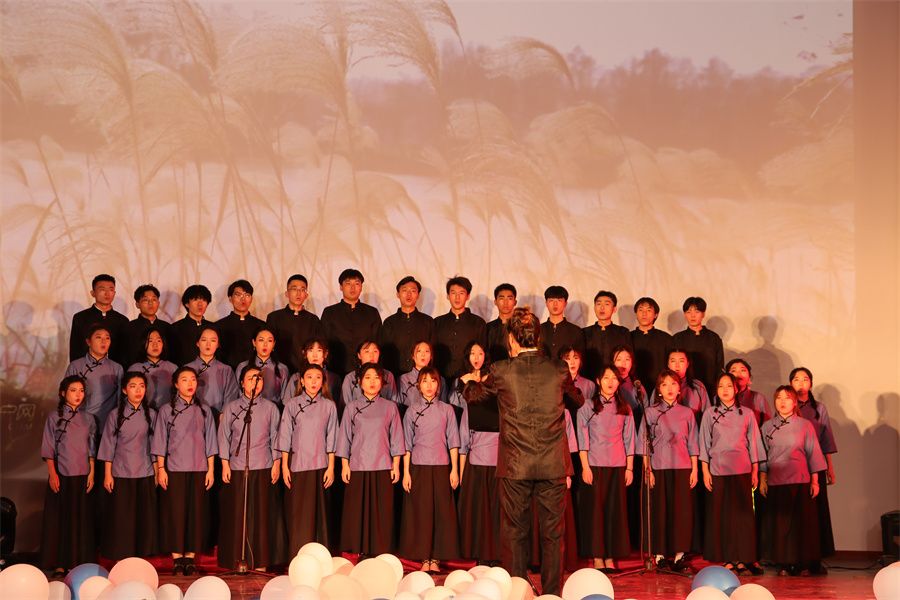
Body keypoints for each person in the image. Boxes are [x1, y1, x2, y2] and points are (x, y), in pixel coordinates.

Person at [485, 307, 584, 596]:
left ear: (512, 339)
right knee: (553, 534)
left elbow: (476, 395)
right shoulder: (559, 369)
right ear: (538, 337)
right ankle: (552, 594)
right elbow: (578, 399)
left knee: (514, 532)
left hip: (516, 464)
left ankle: (518, 592)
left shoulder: (501, 370)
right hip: (552, 462)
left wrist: (468, 385)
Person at [151, 366, 217, 575]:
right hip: (174, 468)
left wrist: (211, 470)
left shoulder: (204, 410)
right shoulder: (166, 410)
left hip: (199, 468)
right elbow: (160, 440)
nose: (190, 384)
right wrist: (161, 469)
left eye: (193, 380)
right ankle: (177, 558)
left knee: (195, 514)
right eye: (185, 380)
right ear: (176, 384)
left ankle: (190, 557)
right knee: (175, 514)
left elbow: (210, 441)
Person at [336, 363, 406, 556]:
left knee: (381, 511)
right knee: (358, 511)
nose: (372, 382)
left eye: (376, 377)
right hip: (358, 465)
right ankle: (360, 550)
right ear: (360, 382)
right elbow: (344, 437)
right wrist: (345, 465)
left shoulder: (390, 407)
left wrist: (396, 465)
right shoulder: (352, 407)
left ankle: (381, 551)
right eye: (367, 377)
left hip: (383, 464)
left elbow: (397, 438)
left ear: (382, 382)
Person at [217, 366, 283, 570]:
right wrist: (225, 463)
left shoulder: (271, 408)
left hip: (263, 465)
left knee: (261, 515)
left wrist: (277, 463)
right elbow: (224, 436)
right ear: (242, 382)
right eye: (250, 378)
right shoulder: (232, 407)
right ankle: (236, 559)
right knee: (238, 514)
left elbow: (276, 437)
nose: (255, 381)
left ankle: (260, 561)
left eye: (259, 378)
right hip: (238, 466)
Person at [699, 372, 766, 575]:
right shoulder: (710, 413)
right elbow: (704, 442)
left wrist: (755, 470)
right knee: (723, 517)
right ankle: (727, 559)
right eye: (721, 386)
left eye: (729, 386)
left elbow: (754, 442)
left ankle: (743, 558)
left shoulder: (747, 413)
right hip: (718, 470)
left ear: (736, 389)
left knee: (742, 517)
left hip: (742, 469)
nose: (725, 390)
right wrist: (705, 470)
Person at [759, 385, 826, 576]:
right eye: (779, 398)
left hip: (800, 480)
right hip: (776, 481)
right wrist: (763, 479)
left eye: (787, 398)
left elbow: (813, 453)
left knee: (802, 525)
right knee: (781, 526)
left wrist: (815, 481)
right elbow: (762, 454)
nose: (782, 402)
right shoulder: (767, 427)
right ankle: (784, 564)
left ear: (795, 402)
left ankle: (804, 563)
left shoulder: (805, 425)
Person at [635, 369, 699, 572]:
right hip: (659, 467)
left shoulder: (687, 413)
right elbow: (643, 444)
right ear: (659, 390)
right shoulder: (650, 412)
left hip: (682, 467)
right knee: (659, 510)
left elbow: (693, 443)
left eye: (673, 384)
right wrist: (648, 469)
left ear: (679, 388)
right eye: (664, 384)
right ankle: (660, 555)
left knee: (681, 512)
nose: (669, 388)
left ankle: (680, 555)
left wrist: (695, 469)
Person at [399, 367, 461, 572]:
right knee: (422, 513)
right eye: (424, 381)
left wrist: (454, 470)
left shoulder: (447, 410)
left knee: (441, 513)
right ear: (418, 385)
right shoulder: (411, 410)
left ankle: (436, 558)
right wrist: (406, 472)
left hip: (442, 466)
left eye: (433, 381)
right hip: (418, 466)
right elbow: (407, 444)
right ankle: (424, 558)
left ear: (439, 385)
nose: (429, 385)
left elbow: (453, 441)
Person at [576, 365, 635, 573]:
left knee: (613, 512)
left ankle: (611, 556)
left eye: (614, 378)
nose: (611, 382)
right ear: (598, 380)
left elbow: (629, 439)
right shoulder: (587, 406)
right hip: (594, 465)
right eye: (606, 377)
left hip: (617, 465)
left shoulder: (625, 407)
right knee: (596, 513)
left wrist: (629, 468)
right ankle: (597, 556)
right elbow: (582, 439)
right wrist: (585, 467)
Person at [278, 363, 338, 553]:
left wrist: (331, 467)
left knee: (320, 514)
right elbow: (285, 436)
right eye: (309, 377)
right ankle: (298, 555)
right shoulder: (292, 405)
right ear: (302, 381)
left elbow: (332, 437)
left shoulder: (329, 405)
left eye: (318, 378)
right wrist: (284, 467)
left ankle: (320, 556)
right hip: (298, 464)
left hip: (321, 465)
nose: (314, 381)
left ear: (323, 382)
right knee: (299, 513)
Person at [98, 372, 158, 559]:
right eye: (133, 386)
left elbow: (155, 444)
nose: (138, 390)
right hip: (121, 472)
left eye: (141, 386)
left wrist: (157, 470)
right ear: (124, 390)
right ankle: (122, 554)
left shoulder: (151, 414)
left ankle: (142, 554)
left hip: (145, 471)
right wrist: (108, 474)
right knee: (123, 517)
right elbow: (108, 445)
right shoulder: (115, 415)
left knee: (143, 516)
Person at [41, 375, 96, 576]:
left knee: (79, 520)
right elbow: (48, 447)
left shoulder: (89, 418)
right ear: (63, 393)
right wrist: (52, 474)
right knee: (61, 520)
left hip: (82, 474)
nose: (78, 395)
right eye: (73, 390)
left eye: (81, 391)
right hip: (61, 474)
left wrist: (92, 472)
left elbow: (91, 449)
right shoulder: (53, 417)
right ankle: (60, 563)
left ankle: (77, 562)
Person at [790, 366, 837, 572]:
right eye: (796, 379)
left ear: (811, 383)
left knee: (817, 513)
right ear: (790, 383)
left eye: (805, 379)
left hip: (816, 465)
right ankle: (794, 558)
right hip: (793, 467)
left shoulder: (819, 409)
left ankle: (815, 559)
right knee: (797, 513)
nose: (801, 383)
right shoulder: (786, 406)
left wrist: (829, 468)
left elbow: (826, 439)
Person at [458, 371, 502, 566]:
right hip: (477, 465)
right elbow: (464, 441)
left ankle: (497, 553)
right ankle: (482, 554)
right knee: (481, 513)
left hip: (499, 465)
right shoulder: (471, 406)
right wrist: (461, 473)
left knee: (495, 513)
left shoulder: (504, 405)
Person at [320, 269, 382, 376]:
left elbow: (378, 342)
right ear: (341, 287)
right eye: (348, 283)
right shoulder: (330, 312)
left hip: (366, 371)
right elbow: (323, 342)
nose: (352, 288)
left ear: (361, 287)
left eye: (357, 284)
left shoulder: (372, 312)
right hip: (336, 370)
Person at [64, 323, 124, 427]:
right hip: (79, 424)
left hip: (106, 425)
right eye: (98, 337)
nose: (104, 341)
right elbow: (66, 398)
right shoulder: (75, 366)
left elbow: (121, 400)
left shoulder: (117, 368)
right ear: (88, 342)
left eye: (107, 338)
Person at [379, 276, 435, 376]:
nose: (409, 294)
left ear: (418, 295)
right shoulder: (389, 322)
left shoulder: (428, 321)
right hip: (395, 376)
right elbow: (384, 353)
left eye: (413, 291)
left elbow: (433, 351)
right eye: (404, 290)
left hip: (422, 377)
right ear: (398, 294)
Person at [433, 276, 487, 380]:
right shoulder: (437, 322)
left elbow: (483, 353)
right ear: (448, 296)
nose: (457, 297)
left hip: (468, 379)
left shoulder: (478, 323)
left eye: (461, 293)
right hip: (440, 378)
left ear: (468, 296)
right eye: (453, 293)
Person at [266, 274, 322, 373]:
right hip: (279, 371)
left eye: (302, 290)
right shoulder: (274, 317)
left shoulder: (313, 320)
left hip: (306, 371)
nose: (298, 293)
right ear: (287, 293)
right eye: (294, 289)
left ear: (306, 295)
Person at [69, 274, 129, 364]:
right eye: (102, 289)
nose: (107, 293)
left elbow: (125, 352)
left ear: (114, 293)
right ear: (93, 293)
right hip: (86, 368)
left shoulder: (122, 321)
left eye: (111, 290)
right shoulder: (80, 318)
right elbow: (75, 349)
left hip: (115, 370)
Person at [672, 297, 724, 397]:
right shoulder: (677, 338)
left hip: (710, 387)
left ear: (703, 314)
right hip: (683, 388)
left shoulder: (714, 338)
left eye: (697, 312)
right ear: (684, 314)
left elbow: (719, 365)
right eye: (688, 312)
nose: (692, 315)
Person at [186, 327, 240, 415]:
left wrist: (223, 415)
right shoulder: (187, 368)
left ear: (218, 344)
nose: (208, 344)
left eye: (213, 340)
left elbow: (231, 396)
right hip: (191, 416)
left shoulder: (226, 370)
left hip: (218, 417)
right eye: (204, 340)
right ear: (197, 343)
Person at [282, 337, 342, 414]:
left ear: (326, 354)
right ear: (304, 353)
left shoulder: (334, 378)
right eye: (310, 350)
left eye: (319, 350)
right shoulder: (296, 378)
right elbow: (287, 406)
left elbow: (338, 407)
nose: (315, 355)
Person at [216, 280, 266, 369]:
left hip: (255, 372)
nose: (243, 299)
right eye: (238, 295)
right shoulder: (218, 326)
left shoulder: (262, 325)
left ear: (251, 299)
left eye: (247, 295)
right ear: (230, 298)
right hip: (227, 372)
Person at [583, 290, 632, 380]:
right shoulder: (584, 332)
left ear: (614, 309)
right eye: (598, 304)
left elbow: (629, 359)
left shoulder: (623, 332)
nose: (602, 308)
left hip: (615, 381)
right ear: (594, 307)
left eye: (607, 304)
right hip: (589, 381)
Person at [123, 284, 173, 366]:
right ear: (137, 304)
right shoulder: (128, 328)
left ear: (158, 303)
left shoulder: (167, 328)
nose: (150, 303)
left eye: (154, 299)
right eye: (145, 300)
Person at [235, 328, 289, 404]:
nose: (265, 344)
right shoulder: (242, 366)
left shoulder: (282, 369)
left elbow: (285, 398)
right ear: (254, 342)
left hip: (274, 409)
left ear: (274, 344)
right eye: (261, 340)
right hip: (246, 408)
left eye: (269, 341)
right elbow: (238, 393)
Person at [127, 326, 177, 409]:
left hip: (168, 413)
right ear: (143, 343)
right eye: (150, 341)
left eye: (158, 340)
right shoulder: (135, 368)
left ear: (163, 344)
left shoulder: (173, 368)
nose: (155, 344)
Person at [630, 297, 673, 391]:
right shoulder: (628, 337)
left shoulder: (666, 338)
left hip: (660, 387)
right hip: (633, 387)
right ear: (636, 314)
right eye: (641, 310)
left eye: (648, 310)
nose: (644, 314)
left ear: (656, 315)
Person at [341, 340, 397, 405]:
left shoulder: (388, 375)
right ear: (359, 355)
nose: (371, 355)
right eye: (367, 351)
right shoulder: (350, 378)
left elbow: (394, 403)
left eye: (375, 351)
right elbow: (345, 406)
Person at [170, 284, 215, 366]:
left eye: (204, 300)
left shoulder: (213, 328)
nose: (200, 304)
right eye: (195, 300)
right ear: (187, 304)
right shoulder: (175, 328)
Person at [541, 286, 584, 361]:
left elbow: (580, 360)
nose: (555, 304)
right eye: (551, 300)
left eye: (559, 300)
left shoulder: (576, 331)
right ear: (546, 303)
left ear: (565, 303)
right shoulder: (538, 330)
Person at [727, 359, 772, 427]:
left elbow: (768, 426)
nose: (738, 373)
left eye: (743, 370)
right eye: (733, 371)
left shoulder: (758, 398)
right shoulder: (718, 398)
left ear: (749, 377)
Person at [398, 340, 440, 407]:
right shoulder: (404, 379)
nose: (423, 354)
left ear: (431, 356)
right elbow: (399, 403)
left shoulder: (439, 379)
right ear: (413, 356)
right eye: (419, 351)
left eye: (427, 351)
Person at [485, 283, 517, 362]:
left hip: (516, 368)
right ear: (495, 302)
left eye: (509, 298)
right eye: (501, 298)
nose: (505, 302)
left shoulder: (520, 327)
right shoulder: (487, 328)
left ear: (515, 302)